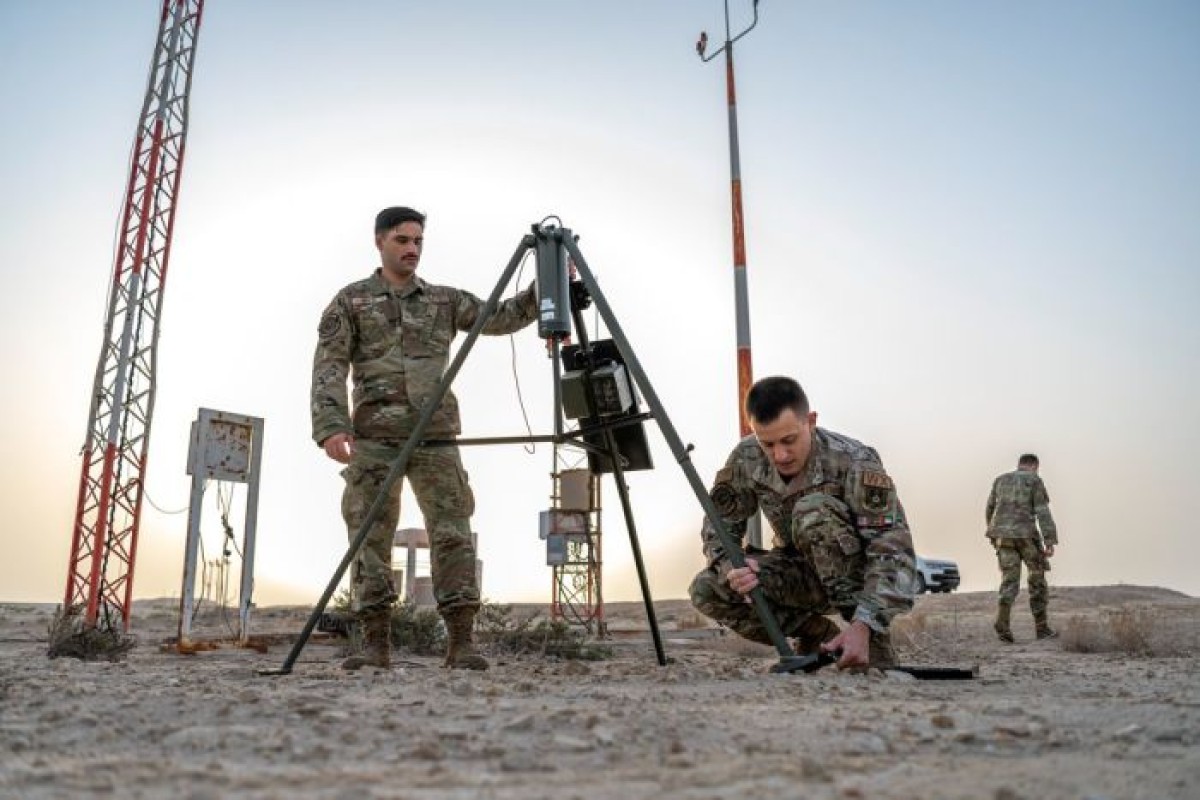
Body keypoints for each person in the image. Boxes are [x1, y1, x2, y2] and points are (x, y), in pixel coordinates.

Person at [311, 205, 538, 671]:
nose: (411, 248)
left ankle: (461, 642)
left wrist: (546, 290)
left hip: (434, 436)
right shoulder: (350, 302)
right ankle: (375, 645)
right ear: (379, 241)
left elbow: (501, 315)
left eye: (418, 241)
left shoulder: (443, 301)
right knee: (369, 537)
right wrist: (330, 426)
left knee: (453, 533)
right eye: (402, 240)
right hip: (374, 438)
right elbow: (329, 366)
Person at [689, 376, 918, 670]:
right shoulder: (746, 457)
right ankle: (814, 632)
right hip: (797, 576)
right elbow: (719, 526)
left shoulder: (854, 459)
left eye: (789, 440)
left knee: (813, 512)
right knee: (707, 588)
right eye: (767, 444)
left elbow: (892, 549)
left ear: (810, 421)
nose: (780, 455)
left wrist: (866, 623)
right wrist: (732, 567)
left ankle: (871, 641)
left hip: (856, 581)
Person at [985, 453, 1058, 642]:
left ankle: (1002, 624)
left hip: (1003, 537)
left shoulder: (1000, 480)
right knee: (1037, 579)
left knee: (1009, 580)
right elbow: (1043, 511)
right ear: (1034, 466)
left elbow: (989, 509)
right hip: (1025, 536)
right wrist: (1049, 541)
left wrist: (994, 534)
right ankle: (1041, 628)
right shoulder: (1034, 480)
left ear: (1019, 464)